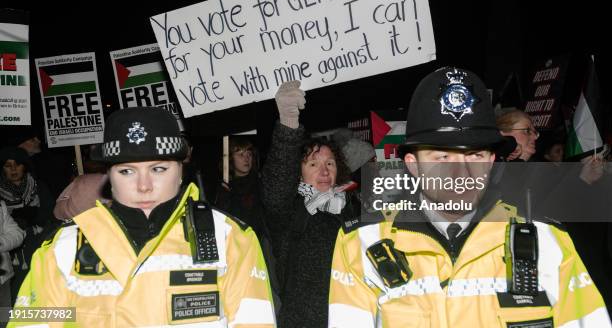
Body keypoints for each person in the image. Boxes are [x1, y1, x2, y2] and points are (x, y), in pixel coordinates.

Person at [328, 67, 610, 327]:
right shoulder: (361, 245)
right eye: (442, 156)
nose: (461, 171)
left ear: (490, 162)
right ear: (413, 165)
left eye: (474, 155)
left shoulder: (548, 241)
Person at [10, 107, 276, 327]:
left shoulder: (231, 239)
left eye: (158, 168)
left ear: (181, 169)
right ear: (109, 175)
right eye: (127, 171)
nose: (144, 185)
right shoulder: (62, 248)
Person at [262, 81, 358, 328]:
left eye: (330, 163)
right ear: (299, 172)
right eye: (313, 164)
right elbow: (278, 177)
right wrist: (288, 122)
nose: (324, 170)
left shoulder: (353, 206)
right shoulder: (288, 210)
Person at [0, 146, 52, 303]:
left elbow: (51, 214)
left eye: (18, 164)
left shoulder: (38, 186)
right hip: (10, 256)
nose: (14, 169)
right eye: (8, 165)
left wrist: (35, 218)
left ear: (25, 166)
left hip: (38, 244)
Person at [0, 200, 25, 326]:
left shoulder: (1, 205)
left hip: (3, 280)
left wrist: (1, 242)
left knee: (5, 322)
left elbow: (18, 234)